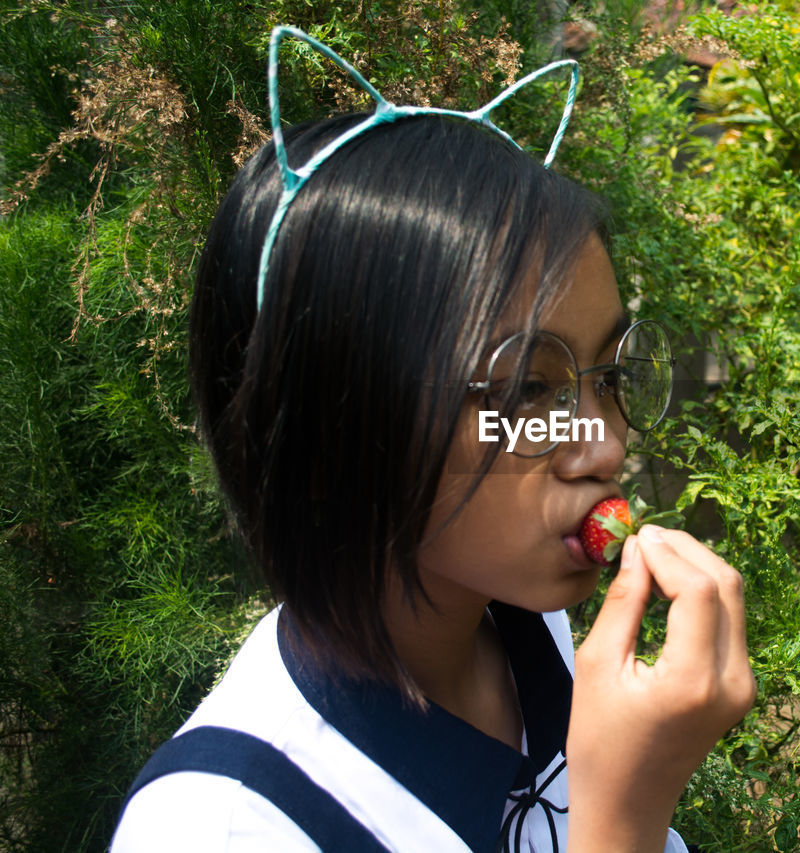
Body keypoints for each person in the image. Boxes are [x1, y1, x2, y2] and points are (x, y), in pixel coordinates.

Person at [110, 26, 755, 853]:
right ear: (328, 436)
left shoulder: (535, 634)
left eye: (610, 373)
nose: (603, 446)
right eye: (526, 389)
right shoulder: (224, 826)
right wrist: (625, 821)